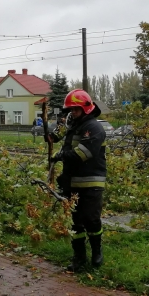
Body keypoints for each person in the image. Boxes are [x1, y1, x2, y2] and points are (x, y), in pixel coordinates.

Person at [49, 89, 106, 272]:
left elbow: (83, 153)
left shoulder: (94, 128)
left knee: (91, 219)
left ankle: (97, 252)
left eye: (75, 109)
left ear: (85, 109)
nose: (72, 113)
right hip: (71, 182)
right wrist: (51, 131)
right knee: (75, 222)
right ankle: (79, 258)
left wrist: (62, 155)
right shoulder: (71, 123)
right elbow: (54, 137)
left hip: (91, 183)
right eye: (70, 110)